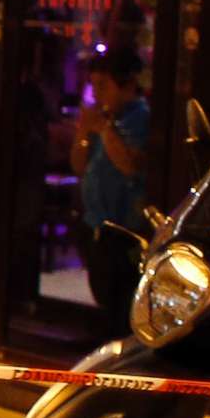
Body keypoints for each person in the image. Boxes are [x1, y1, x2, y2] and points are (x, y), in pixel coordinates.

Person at [71, 43, 151, 335]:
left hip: (124, 229)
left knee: (121, 304)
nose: (98, 95)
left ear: (128, 85)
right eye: (94, 87)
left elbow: (131, 165)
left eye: (104, 86)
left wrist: (105, 130)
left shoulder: (141, 118)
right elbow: (79, 165)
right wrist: (82, 133)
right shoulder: (103, 120)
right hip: (96, 223)